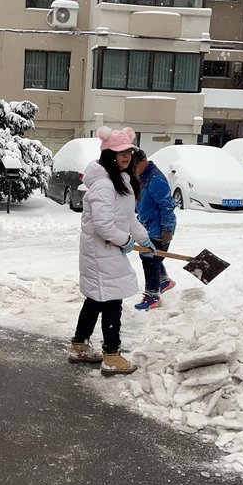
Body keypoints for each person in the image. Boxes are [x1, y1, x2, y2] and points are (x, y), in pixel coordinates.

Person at [68, 127, 156, 376]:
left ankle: (78, 346)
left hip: (108, 250)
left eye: (128, 151)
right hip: (100, 252)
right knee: (111, 302)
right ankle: (112, 355)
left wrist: (144, 239)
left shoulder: (122, 182)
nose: (126, 156)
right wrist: (125, 241)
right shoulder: (104, 185)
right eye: (120, 152)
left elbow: (128, 219)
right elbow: (104, 225)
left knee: (96, 300)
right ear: (109, 155)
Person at [132, 148, 177, 311]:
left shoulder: (155, 178)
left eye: (133, 166)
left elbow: (168, 205)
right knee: (153, 257)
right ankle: (164, 280)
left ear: (143, 162)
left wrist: (167, 230)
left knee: (149, 258)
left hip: (158, 228)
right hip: (147, 224)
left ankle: (153, 295)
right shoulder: (142, 177)